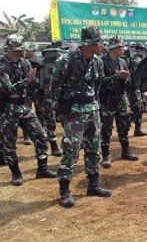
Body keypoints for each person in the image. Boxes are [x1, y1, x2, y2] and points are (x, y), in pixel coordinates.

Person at [51, 25, 111, 208]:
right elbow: (54, 88)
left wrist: (96, 106)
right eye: (98, 42)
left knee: (94, 147)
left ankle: (93, 185)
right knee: (71, 149)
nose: (102, 45)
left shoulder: (98, 62)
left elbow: (97, 86)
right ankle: (64, 191)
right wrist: (60, 112)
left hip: (92, 109)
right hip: (73, 112)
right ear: (89, 43)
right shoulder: (66, 60)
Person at [0, 34, 56, 186]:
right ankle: (16, 174)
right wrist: (28, 81)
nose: (21, 51)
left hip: (24, 106)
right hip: (7, 109)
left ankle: (42, 169)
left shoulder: (25, 63)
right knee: (9, 143)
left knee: (41, 136)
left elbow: (31, 85)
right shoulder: (2, 65)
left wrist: (36, 82)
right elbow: (8, 89)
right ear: (10, 49)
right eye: (18, 49)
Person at [99, 36, 139, 168]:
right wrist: (117, 77)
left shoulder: (123, 62)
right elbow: (99, 82)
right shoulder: (102, 62)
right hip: (107, 100)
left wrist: (126, 79)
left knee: (124, 126)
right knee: (106, 129)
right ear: (114, 48)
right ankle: (105, 156)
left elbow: (127, 80)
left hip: (121, 98)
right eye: (121, 47)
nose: (123, 49)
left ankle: (126, 151)